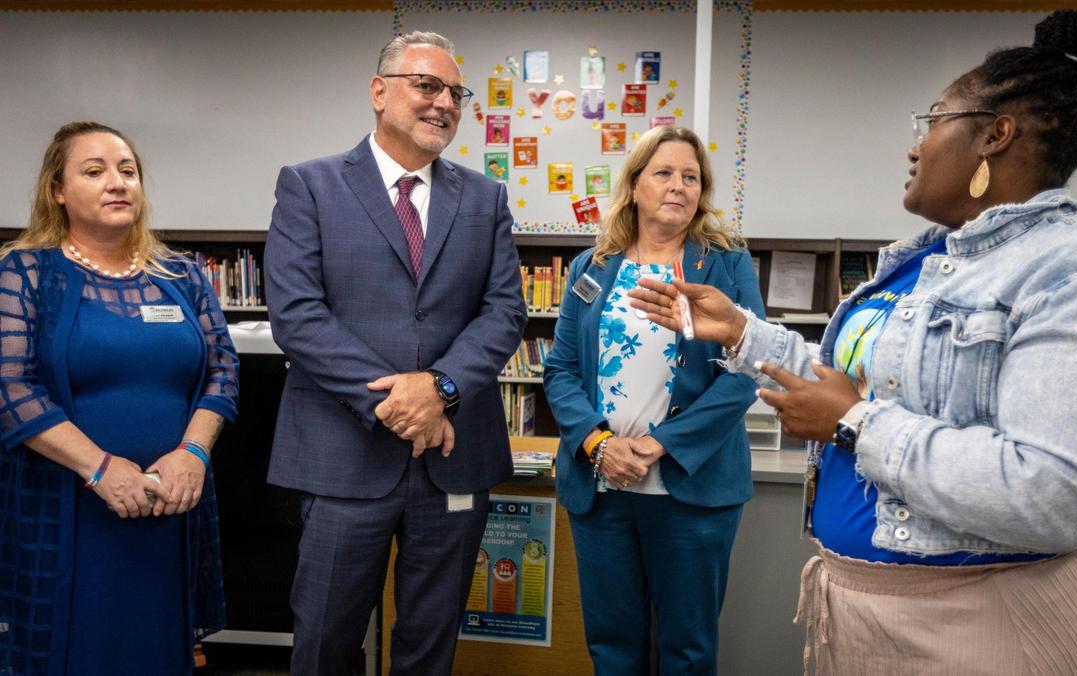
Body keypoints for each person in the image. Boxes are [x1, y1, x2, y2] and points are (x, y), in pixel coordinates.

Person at [630, 10, 1077, 673]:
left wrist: (854, 423)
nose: (914, 146)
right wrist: (745, 334)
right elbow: (858, 385)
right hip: (876, 619)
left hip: (992, 626)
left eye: (931, 122)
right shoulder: (918, 264)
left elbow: (1061, 492)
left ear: (995, 134)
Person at [264, 31, 526, 676]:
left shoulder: (484, 197)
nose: (443, 104)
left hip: (453, 454)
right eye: (426, 85)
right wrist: (397, 400)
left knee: (430, 644)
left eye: (454, 93)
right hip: (342, 456)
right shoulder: (311, 185)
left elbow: (504, 311)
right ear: (380, 92)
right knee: (325, 639)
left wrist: (438, 388)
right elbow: (296, 315)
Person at [0, 121, 239, 675]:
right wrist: (102, 469)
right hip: (68, 509)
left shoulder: (182, 274)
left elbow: (223, 370)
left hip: (172, 505)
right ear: (57, 190)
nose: (118, 183)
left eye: (127, 171)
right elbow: (10, 387)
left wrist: (193, 454)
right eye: (95, 171)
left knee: (157, 649)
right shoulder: (26, 272)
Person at [543, 125, 764, 674]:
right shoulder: (592, 266)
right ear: (635, 185)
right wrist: (598, 444)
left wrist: (661, 444)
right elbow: (561, 370)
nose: (679, 186)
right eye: (664, 173)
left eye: (691, 177)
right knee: (612, 647)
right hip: (602, 485)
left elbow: (748, 370)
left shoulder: (727, 264)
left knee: (687, 651)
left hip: (692, 489)